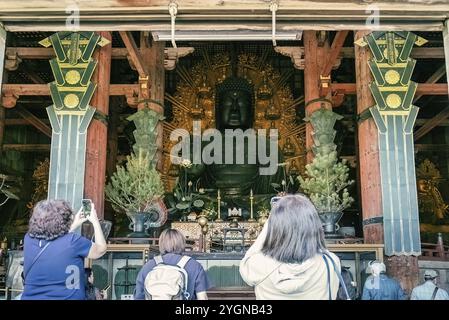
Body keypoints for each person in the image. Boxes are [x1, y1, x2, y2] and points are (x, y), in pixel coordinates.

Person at [239, 194, 341, 300]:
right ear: (314, 226)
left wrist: (270, 222)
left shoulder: (258, 264)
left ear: (273, 229)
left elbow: (247, 259)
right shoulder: (330, 262)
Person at [21, 199, 107, 300]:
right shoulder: (73, 241)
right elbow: (100, 249)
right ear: (63, 220)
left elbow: (55, 240)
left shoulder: (28, 240)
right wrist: (95, 220)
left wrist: (75, 224)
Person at [134, 229, 210, 300]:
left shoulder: (149, 266)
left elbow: (138, 296)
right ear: (182, 243)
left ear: (161, 243)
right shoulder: (194, 266)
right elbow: (202, 297)